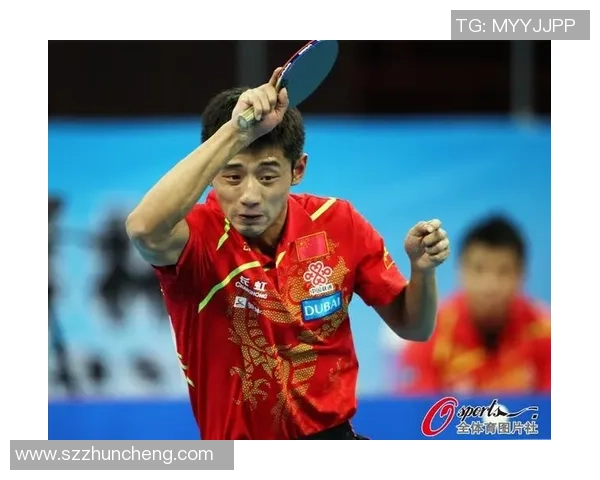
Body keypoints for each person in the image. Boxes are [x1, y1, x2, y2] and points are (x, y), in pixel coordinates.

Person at [125, 68, 451, 440]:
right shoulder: (196, 239)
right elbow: (142, 228)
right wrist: (236, 132)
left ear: (298, 170)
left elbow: (415, 327)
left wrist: (423, 271)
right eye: (232, 176)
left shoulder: (338, 222)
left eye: (267, 177)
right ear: (212, 172)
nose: (249, 196)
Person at [395, 215, 550, 396]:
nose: (490, 285)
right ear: (460, 270)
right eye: (478, 269)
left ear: (522, 274)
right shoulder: (431, 335)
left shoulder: (545, 334)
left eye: (503, 271)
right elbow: (417, 411)